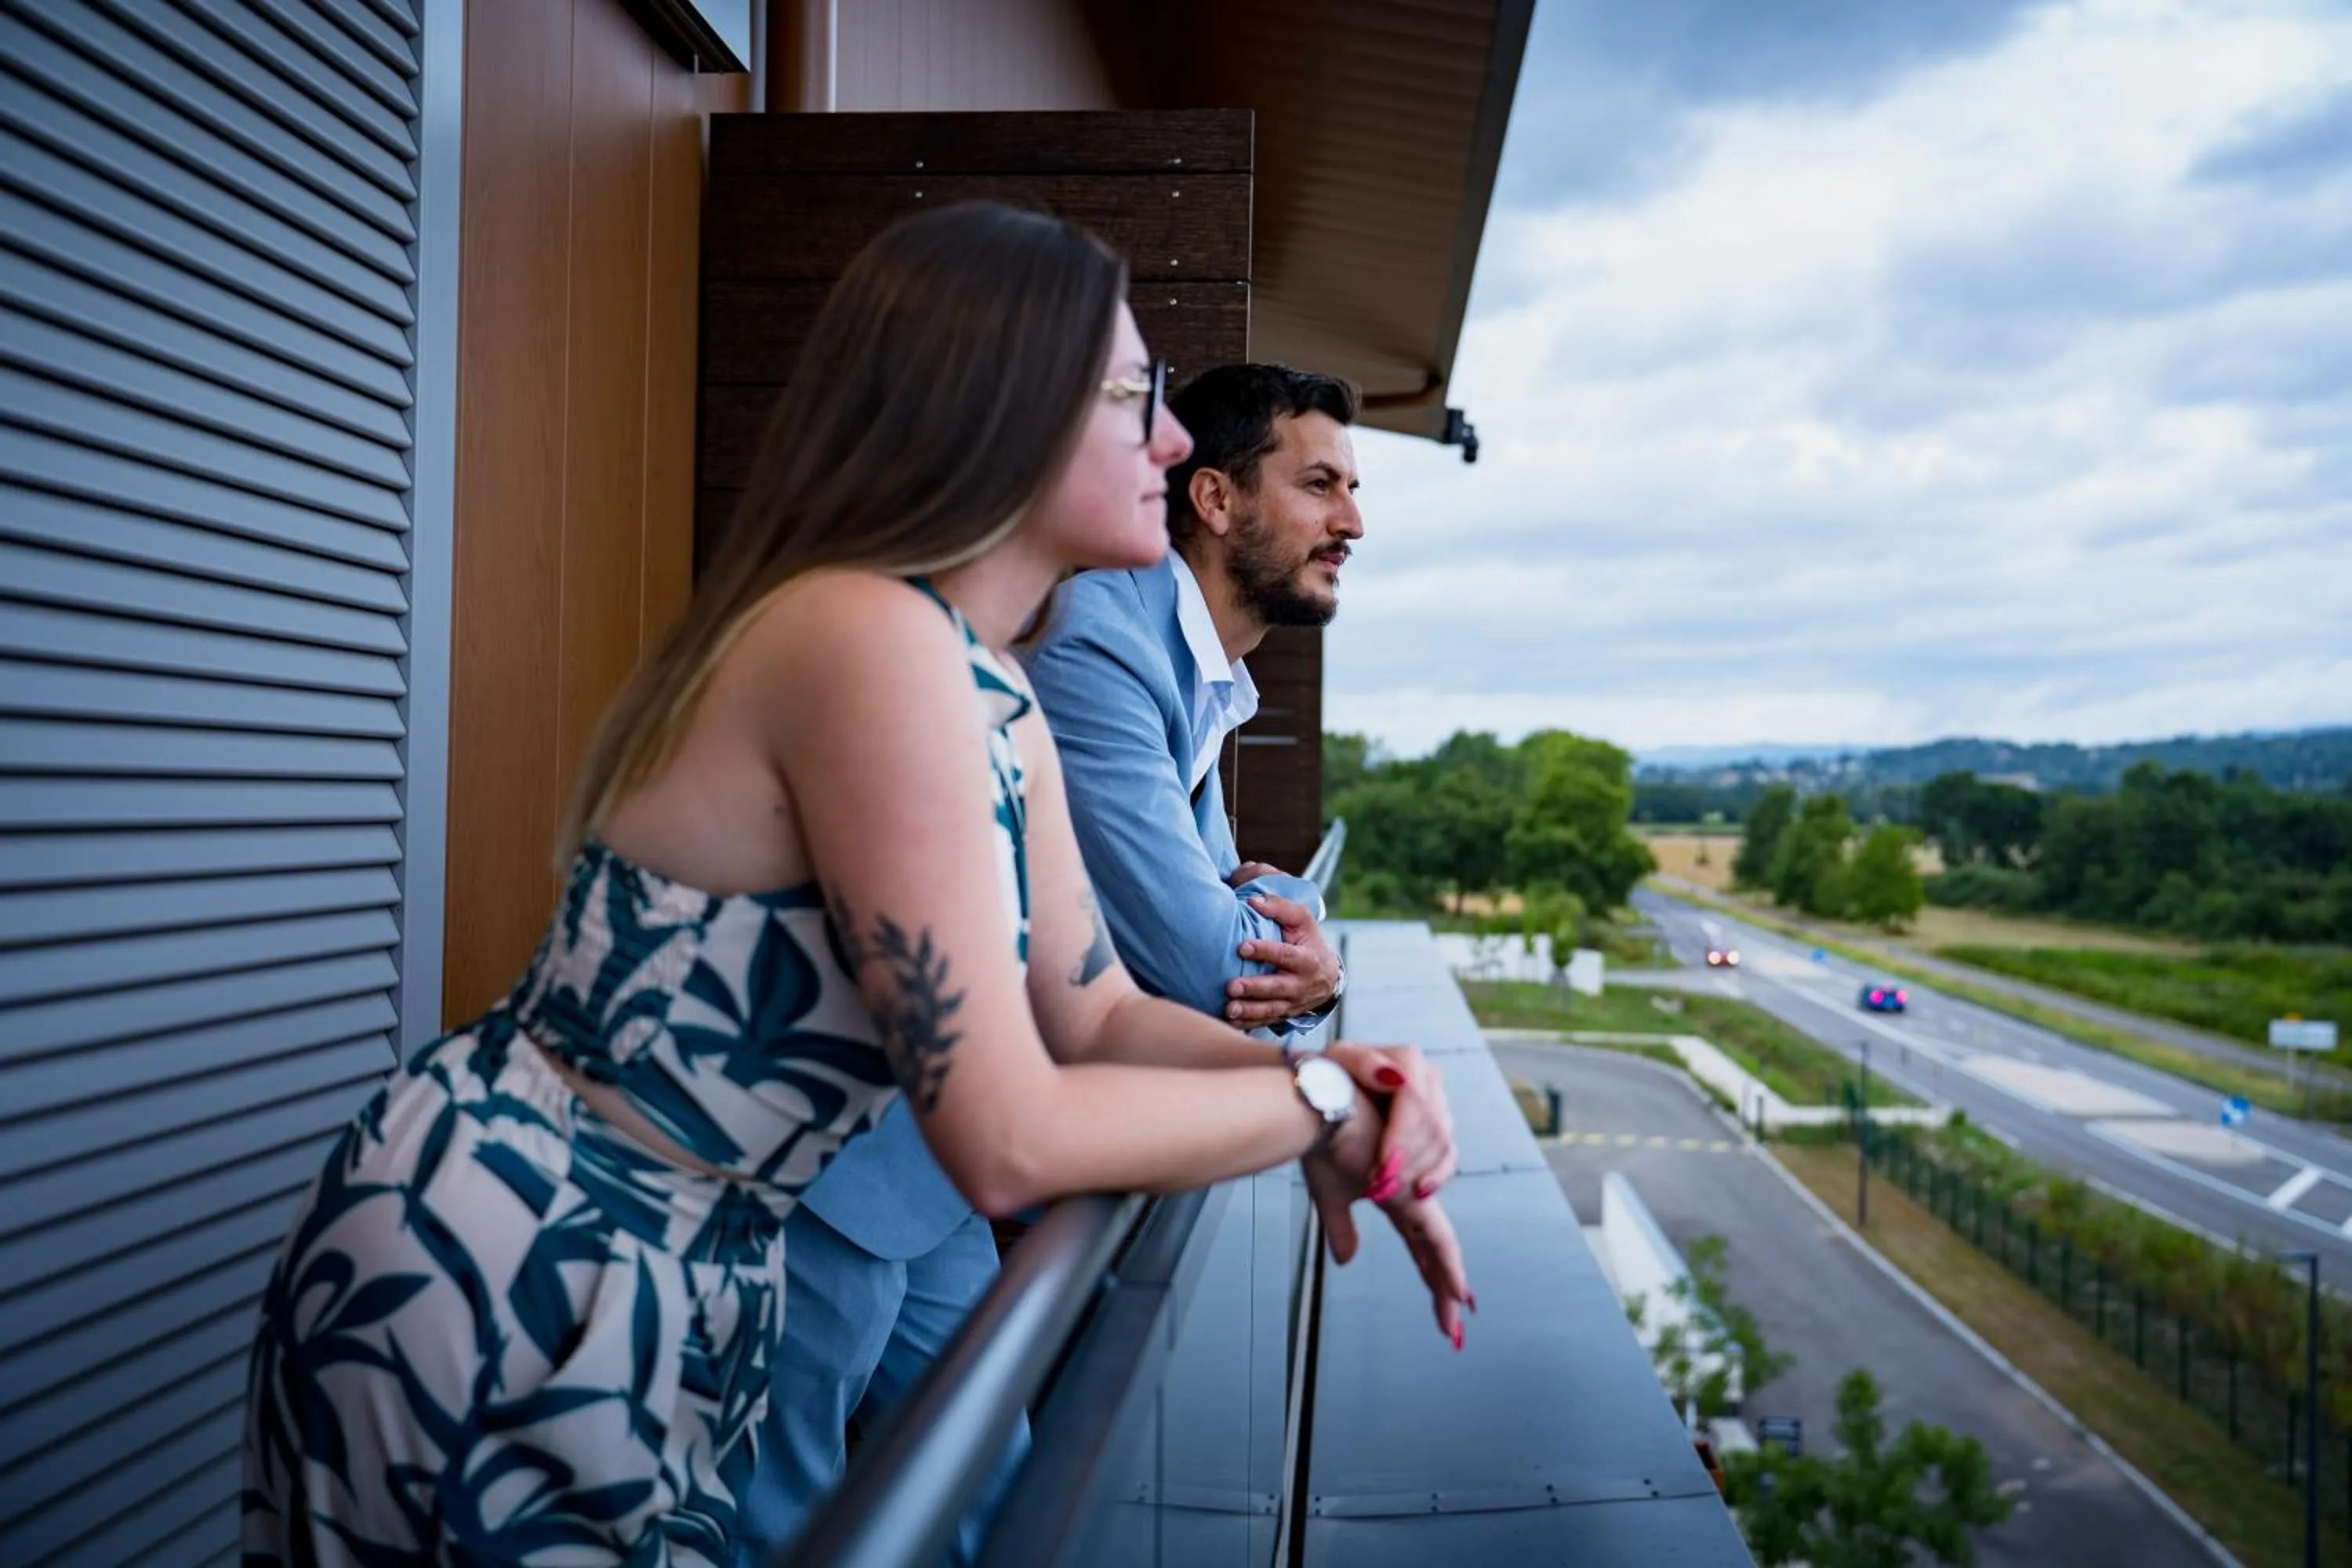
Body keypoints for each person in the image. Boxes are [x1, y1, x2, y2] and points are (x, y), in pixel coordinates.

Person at [240, 201, 1468, 1566]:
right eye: (1136, 397)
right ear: (1000, 408)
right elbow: (1007, 1132)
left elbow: (1102, 1014)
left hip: (693, 1269)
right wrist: (1312, 1108)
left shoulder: (993, 686)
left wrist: (1361, 1081)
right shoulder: (868, 637)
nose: (1175, 444)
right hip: (521, 1251)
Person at [1021, 362, 1365, 1042]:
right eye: (1319, 485)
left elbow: (1237, 965)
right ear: (1215, 500)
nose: (1352, 523)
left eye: (1351, 490)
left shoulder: (1193, 669)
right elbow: (1210, 970)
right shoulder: (1097, 647)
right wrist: (1307, 903)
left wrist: (1321, 981)